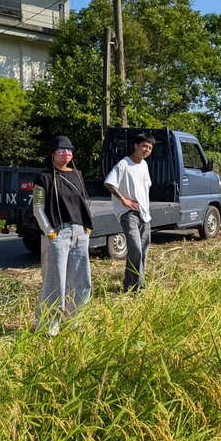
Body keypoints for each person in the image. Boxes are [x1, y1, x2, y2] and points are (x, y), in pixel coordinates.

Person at [32, 135, 93, 335]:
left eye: (69, 150)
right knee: (55, 281)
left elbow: (84, 202)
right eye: (61, 150)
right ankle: (49, 326)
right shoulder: (45, 177)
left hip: (79, 233)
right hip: (58, 233)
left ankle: (74, 321)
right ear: (53, 153)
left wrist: (87, 227)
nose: (66, 154)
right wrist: (49, 232)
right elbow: (38, 207)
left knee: (81, 280)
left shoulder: (78, 174)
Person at [104, 133, 155, 291]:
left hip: (144, 213)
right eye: (144, 146)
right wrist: (123, 200)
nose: (146, 149)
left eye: (150, 147)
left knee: (142, 251)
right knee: (136, 248)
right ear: (136, 146)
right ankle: (140, 287)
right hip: (128, 213)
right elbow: (109, 183)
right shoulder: (123, 164)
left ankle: (129, 285)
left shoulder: (144, 165)